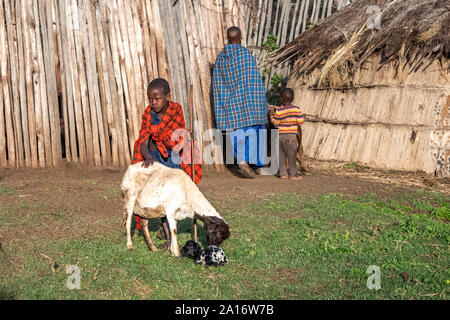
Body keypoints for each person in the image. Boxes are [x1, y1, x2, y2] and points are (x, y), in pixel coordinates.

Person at [131, 78, 202, 242]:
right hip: (155, 158)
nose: (153, 102)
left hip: (174, 156)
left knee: (175, 194)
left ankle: (167, 230)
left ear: (167, 97)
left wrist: (187, 135)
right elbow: (143, 139)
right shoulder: (148, 113)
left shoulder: (176, 110)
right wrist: (147, 156)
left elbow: (179, 132)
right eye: (150, 99)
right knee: (162, 196)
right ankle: (169, 235)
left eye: (157, 99)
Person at [212, 26, 269, 178]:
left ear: (228, 39)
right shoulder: (245, 56)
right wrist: (261, 101)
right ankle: (256, 163)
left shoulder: (220, 59)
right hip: (250, 102)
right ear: (240, 39)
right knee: (256, 130)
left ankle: (243, 160)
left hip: (231, 105)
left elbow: (218, 84)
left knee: (237, 133)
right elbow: (254, 80)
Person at [269, 88, 304, 181]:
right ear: (292, 99)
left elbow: (275, 123)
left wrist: (271, 114)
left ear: (281, 99)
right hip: (291, 137)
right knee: (292, 156)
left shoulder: (279, 111)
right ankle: (293, 175)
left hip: (280, 137)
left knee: (281, 156)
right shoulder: (297, 109)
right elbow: (300, 122)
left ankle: (283, 174)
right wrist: (303, 117)